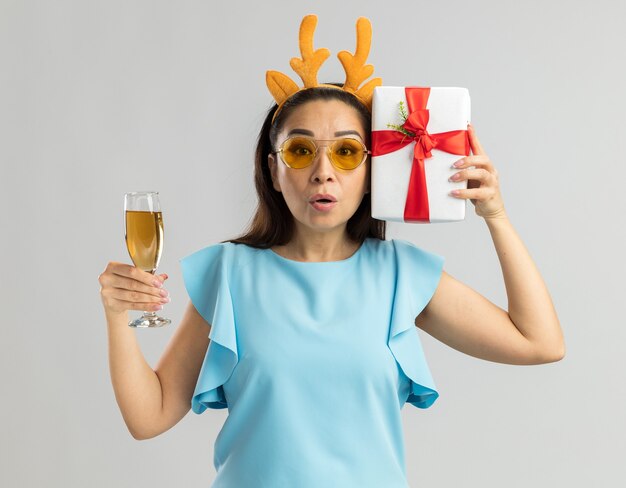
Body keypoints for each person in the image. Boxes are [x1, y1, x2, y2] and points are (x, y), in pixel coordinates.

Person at [98, 15, 565, 488]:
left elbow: (539, 342)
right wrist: (118, 317)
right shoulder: (228, 272)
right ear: (274, 171)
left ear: (372, 170)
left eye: (345, 153)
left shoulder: (399, 273)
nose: (324, 172)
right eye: (301, 151)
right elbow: (149, 416)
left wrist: (496, 216)